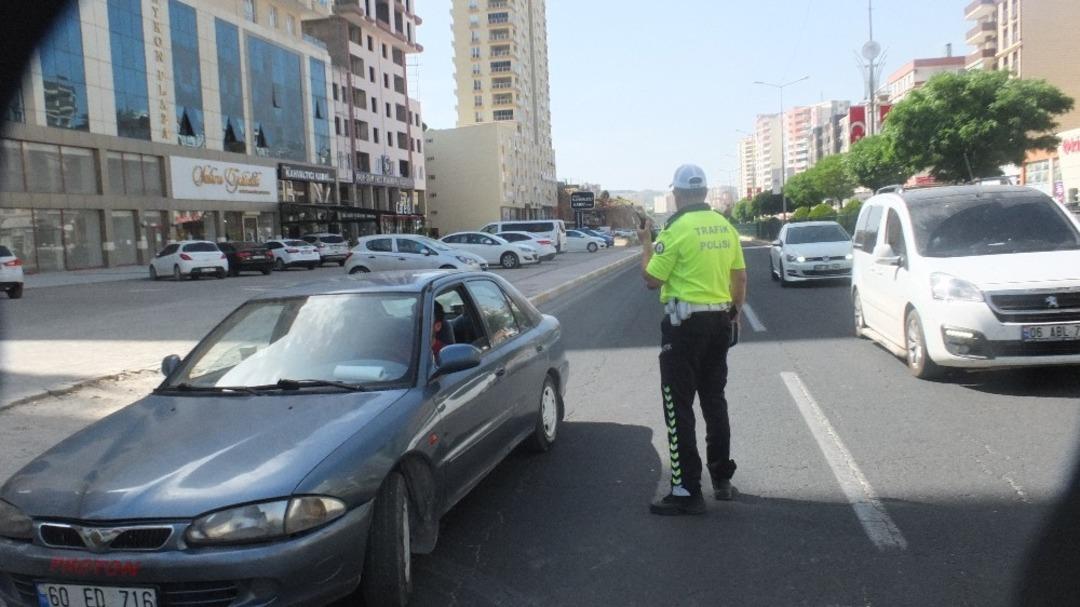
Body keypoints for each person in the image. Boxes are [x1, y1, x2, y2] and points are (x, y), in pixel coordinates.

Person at [637, 164, 748, 516]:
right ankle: (722, 480)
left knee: (678, 406)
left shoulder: (676, 229)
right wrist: (736, 313)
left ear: (678, 193)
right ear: (704, 192)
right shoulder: (725, 227)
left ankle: (686, 490)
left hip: (684, 329)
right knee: (714, 401)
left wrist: (645, 245)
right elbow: (740, 277)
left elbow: (652, 279)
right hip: (719, 322)